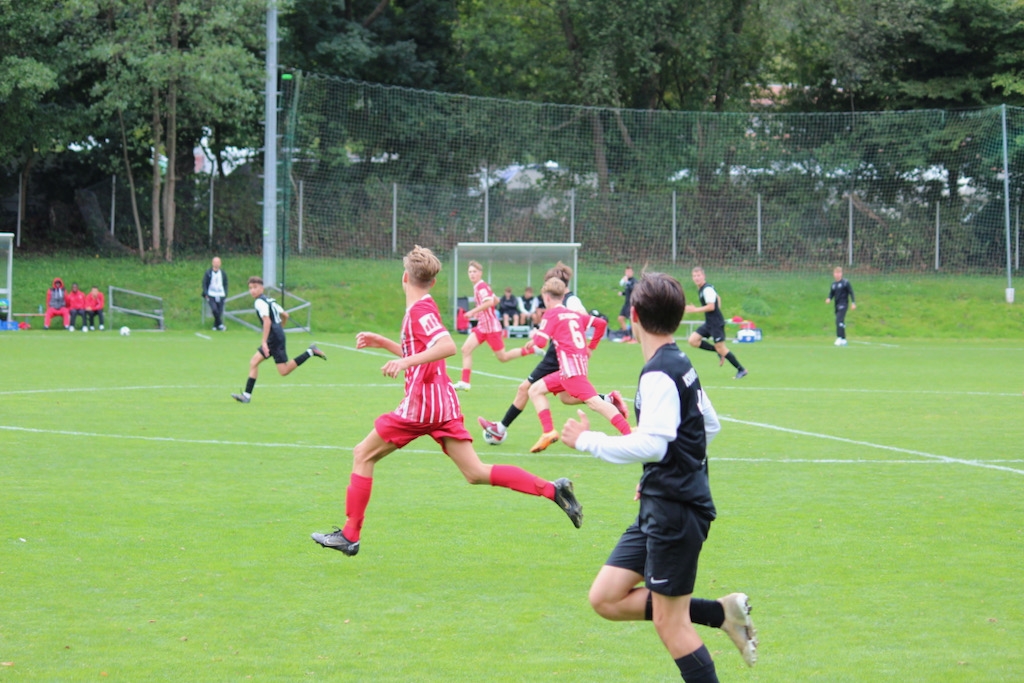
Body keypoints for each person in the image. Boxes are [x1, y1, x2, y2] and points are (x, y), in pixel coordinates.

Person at [311, 246, 583, 557]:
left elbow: (446, 346)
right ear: (433, 282)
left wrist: (403, 362)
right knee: (476, 472)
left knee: (363, 454)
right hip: (443, 404)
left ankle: (350, 536)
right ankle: (553, 489)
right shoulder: (426, 306)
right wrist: (384, 343)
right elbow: (426, 352)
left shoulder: (419, 311)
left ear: (405, 278)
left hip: (422, 405)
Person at [561, 272, 758, 680]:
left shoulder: (658, 373)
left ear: (633, 315)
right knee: (605, 598)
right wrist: (663, 470)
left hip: (676, 513)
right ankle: (720, 613)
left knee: (672, 625)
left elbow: (655, 444)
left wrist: (587, 441)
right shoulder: (679, 362)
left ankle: (720, 616)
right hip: (662, 503)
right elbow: (707, 426)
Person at [478, 262, 628, 444]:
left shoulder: (569, 303)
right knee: (565, 397)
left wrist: (580, 346)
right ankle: (607, 400)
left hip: (560, 358)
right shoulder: (563, 307)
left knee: (528, 389)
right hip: (565, 358)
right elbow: (592, 323)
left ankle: (502, 429)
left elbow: (576, 322)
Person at [524, 277, 631, 453]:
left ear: (547, 297)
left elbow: (541, 343)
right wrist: (591, 347)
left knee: (595, 403)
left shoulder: (551, 314)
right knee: (541, 391)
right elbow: (601, 324)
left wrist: (534, 337)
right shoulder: (573, 314)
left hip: (571, 370)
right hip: (572, 367)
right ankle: (548, 432)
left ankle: (629, 433)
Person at [230, 277, 326, 403]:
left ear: (262, 288)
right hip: (276, 335)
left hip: (273, 338)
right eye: (250, 288)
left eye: (255, 287)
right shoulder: (270, 300)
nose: (252, 290)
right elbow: (285, 315)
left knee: (283, 370)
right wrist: (280, 328)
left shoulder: (259, 302)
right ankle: (246, 396)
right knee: (254, 362)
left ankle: (310, 352)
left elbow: (267, 321)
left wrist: (264, 342)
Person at [452, 261, 532, 391]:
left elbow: (489, 302)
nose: (472, 274)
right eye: (470, 272)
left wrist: (473, 311)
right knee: (466, 349)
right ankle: (465, 382)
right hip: (482, 327)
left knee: (503, 357)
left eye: (474, 272)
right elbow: (496, 300)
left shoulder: (481, 287)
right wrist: (481, 313)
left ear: (480, 273)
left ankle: (531, 350)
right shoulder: (480, 286)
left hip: (491, 329)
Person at [685, 267, 747, 379]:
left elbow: (711, 306)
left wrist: (695, 309)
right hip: (709, 323)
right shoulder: (703, 289)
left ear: (703, 276)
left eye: (698, 275)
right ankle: (718, 352)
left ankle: (741, 369)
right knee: (692, 340)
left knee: (722, 348)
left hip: (716, 323)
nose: (696, 278)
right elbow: (718, 298)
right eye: (694, 276)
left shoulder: (707, 289)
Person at [826, 266, 856, 346]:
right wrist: (829, 298)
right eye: (836, 273)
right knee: (840, 322)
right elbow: (831, 293)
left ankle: (839, 337)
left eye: (839, 273)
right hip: (837, 305)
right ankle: (843, 339)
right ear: (834, 274)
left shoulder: (845, 283)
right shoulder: (833, 284)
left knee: (838, 320)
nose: (837, 274)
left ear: (841, 274)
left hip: (844, 304)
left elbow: (851, 292)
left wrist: (853, 303)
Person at [202, 256, 228, 331]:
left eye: (218, 262)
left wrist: (225, 293)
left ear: (220, 263)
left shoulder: (223, 273)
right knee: (214, 309)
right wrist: (206, 293)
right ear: (212, 263)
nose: (216, 264)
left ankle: (215, 326)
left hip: (221, 294)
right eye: (215, 262)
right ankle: (220, 324)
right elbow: (204, 283)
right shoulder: (208, 273)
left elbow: (225, 283)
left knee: (219, 311)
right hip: (211, 294)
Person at [618, 266, 637, 339]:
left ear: (632, 272)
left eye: (629, 271)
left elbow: (634, 289)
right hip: (626, 304)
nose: (628, 273)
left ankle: (633, 337)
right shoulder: (627, 281)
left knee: (631, 320)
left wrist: (627, 282)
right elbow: (628, 291)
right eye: (626, 272)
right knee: (620, 318)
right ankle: (627, 335)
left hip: (631, 303)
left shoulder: (634, 281)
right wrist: (622, 293)